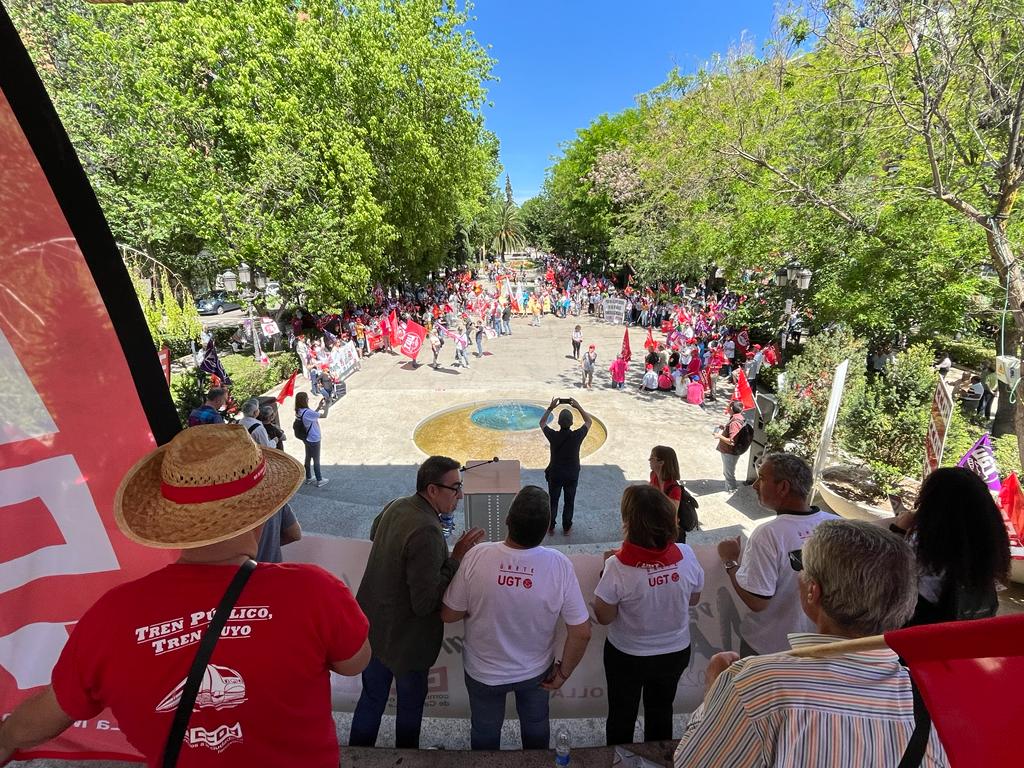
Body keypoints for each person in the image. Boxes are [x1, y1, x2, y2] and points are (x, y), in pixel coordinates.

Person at [0, 425, 370, 766]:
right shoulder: (313, 591)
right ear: (263, 513)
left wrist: (5, 739)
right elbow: (356, 662)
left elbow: (49, 712)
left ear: (169, 519)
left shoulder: (110, 618)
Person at [675, 520, 949, 767]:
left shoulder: (753, 685)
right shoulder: (934, 701)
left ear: (812, 592)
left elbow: (690, 761)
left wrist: (713, 696)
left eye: (802, 568)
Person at [349, 457, 486, 749]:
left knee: (371, 699)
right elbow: (425, 603)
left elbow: (376, 534)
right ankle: (407, 757)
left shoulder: (397, 505)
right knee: (410, 708)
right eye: (455, 488)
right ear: (432, 490)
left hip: (374, 630)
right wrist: (456, 556)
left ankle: (355, 756)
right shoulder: (427, 530)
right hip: (408, 642)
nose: (460, 496)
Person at [441, 486, 591, 750]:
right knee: (536, 735)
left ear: (507, 520)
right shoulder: (559, 564)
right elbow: (581, 632)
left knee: (485, 737)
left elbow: (449, 614)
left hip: (483, 673)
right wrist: (563, 673)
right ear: (546, 529)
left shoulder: (478, 555)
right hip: (536, 674)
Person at [595, 485, 704, 745]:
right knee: (661, 713)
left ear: (629, 522)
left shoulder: (616, 566)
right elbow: (694, 599)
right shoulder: (686, 554)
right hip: (674, 652)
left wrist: (605, 571)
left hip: (627, 656)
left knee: (622, 717)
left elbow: (603, 616)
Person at [716, 453, 835, 655]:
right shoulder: (836, 524)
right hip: (817, 646)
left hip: (767, 648)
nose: (754, 486)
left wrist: (729, 562)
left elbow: (757, 601)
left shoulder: (768, 534)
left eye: (761, 479)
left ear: (783, 487)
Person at [889, 466, 1010, 625]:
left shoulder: (929, 543)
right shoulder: (991, 543)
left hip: (918, 628)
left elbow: (886, 574)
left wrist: (898, 531)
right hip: (961, 631)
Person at [540, 397, 593, 535]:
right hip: (572, 474)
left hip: (555, 474)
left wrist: (551, 408)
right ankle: (566, 527)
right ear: (571, 423)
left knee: (553, 500)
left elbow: (542, 422)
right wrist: (578, 406)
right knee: (569, 501)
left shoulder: (553, 435)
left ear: (558, 422)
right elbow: (589, 421)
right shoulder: (577, 435)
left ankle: (550, 526)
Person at [295, 392, 328, 487]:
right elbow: (324, 415)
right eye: (307, 398)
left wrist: (319, 407)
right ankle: (319, 479)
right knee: (316, 459)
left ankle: (309, 477)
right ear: (305, 400)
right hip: (314, 438)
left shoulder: (299, 411)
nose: (308, 399)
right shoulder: (307, 412)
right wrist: (327, 405)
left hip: (306, 437)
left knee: (308, 457)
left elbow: (312, 415)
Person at [714, 401, 747, 492]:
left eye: (728, 406)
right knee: (728, 472)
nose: (727, 408)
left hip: (730, 452)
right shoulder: (739, 417)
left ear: (732, 408)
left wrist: (719, 436)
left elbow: (732, 441)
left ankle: (732, 490)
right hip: (732, 452)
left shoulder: (734, 423)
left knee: (729, 474)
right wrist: (724, 428)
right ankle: (729, 488)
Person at [648, 445, 682, 512]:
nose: (649, 460)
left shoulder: (674, 489)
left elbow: (672, 516)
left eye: (652, 458)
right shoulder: (653, 475)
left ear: (661, 463)